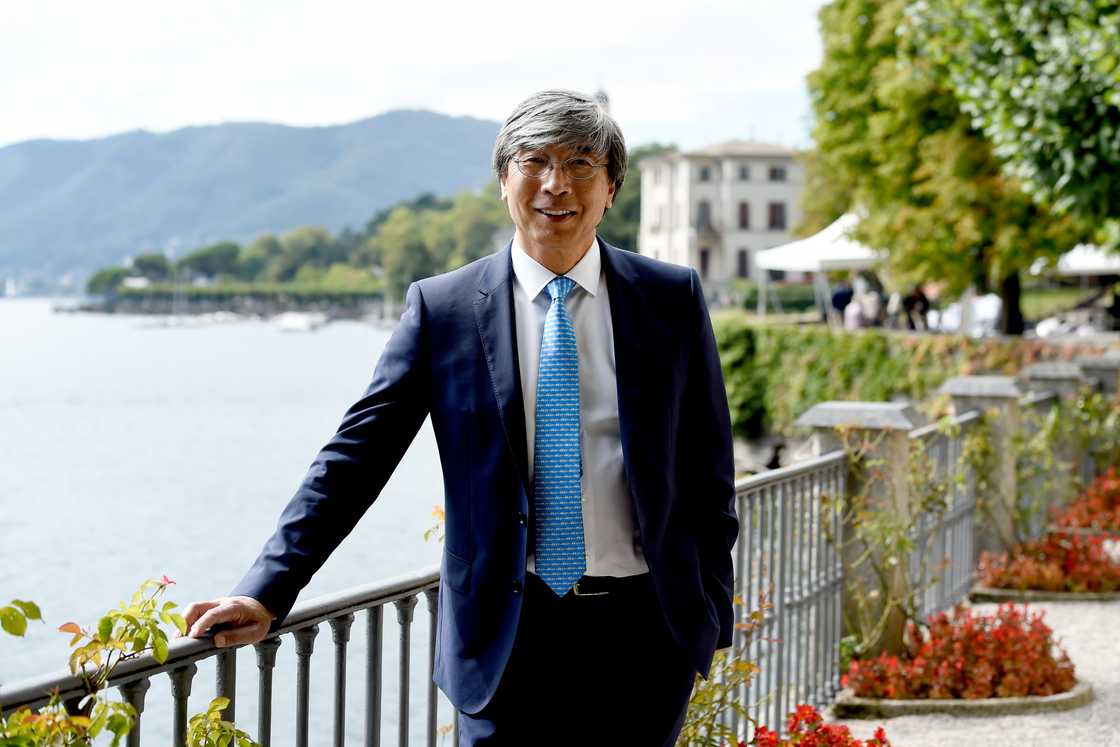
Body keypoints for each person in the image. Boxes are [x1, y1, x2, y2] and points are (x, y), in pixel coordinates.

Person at [182, 89, 738, 746]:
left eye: (582, 163)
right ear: (504, 180)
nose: (558, 183)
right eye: (535, 161)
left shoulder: (670, 299)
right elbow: (354, 458)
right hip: (505, 638)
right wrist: (267, 589)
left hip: (645, 634)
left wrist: (709, 609)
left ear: (611, 186)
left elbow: (709, 463)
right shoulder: (442, 311)